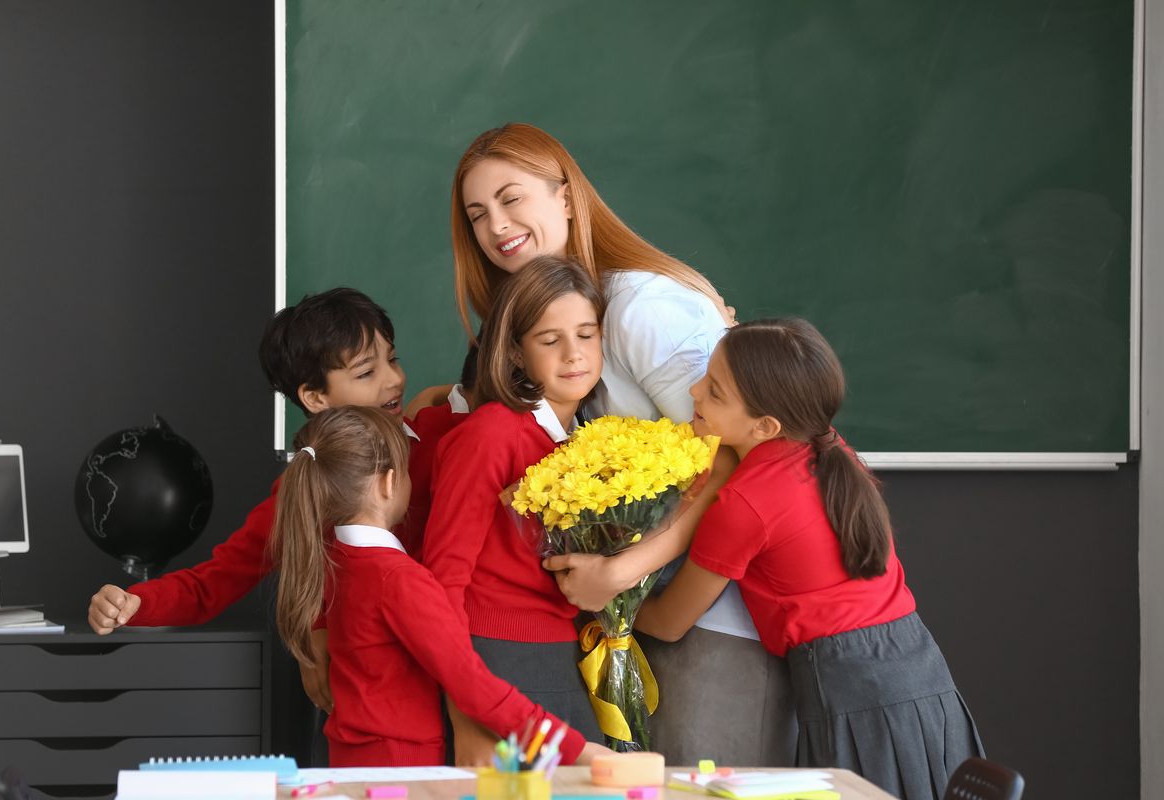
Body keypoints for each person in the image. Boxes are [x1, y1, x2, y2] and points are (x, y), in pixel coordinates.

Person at [449, 122, 795, 765]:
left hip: (714, 618)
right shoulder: (575, 316)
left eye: (511, 197)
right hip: (638, 624)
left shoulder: (638, 308)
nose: (496, 226)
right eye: (478, 214)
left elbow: (737, 455)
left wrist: (623, 570)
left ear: (568, 198)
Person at [634, 318, 984, 800]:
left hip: (854, 689)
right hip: (917, 667)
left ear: (766, 425)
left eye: (714, 391)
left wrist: (609, 603)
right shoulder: (829, 447)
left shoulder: (744, 503)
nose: (693, 390)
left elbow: (669, 624)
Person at [85, 288, 421, 715]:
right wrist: (137, 603)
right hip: (359, 697)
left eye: (393, 359)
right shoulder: (305, 487)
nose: (393, 380)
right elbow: (214, 582)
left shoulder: (432, 441)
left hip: (445, 678)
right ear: (316, 398)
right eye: (366, 372)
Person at [270, 404, 603, 767]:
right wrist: (578, 749)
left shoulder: (340, 563)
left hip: (350, 756)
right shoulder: (400, 580)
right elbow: (474, 687)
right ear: (388, 483)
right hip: (403, 768)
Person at [421, 256, 608, 760]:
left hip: (561, 653)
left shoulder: (593, 441)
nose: (575, 354)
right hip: (495, 657)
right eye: (550, 341)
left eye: (588, 334)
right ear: (517, 354)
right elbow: (444, 582)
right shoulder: (490, 433)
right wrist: (466, 714)